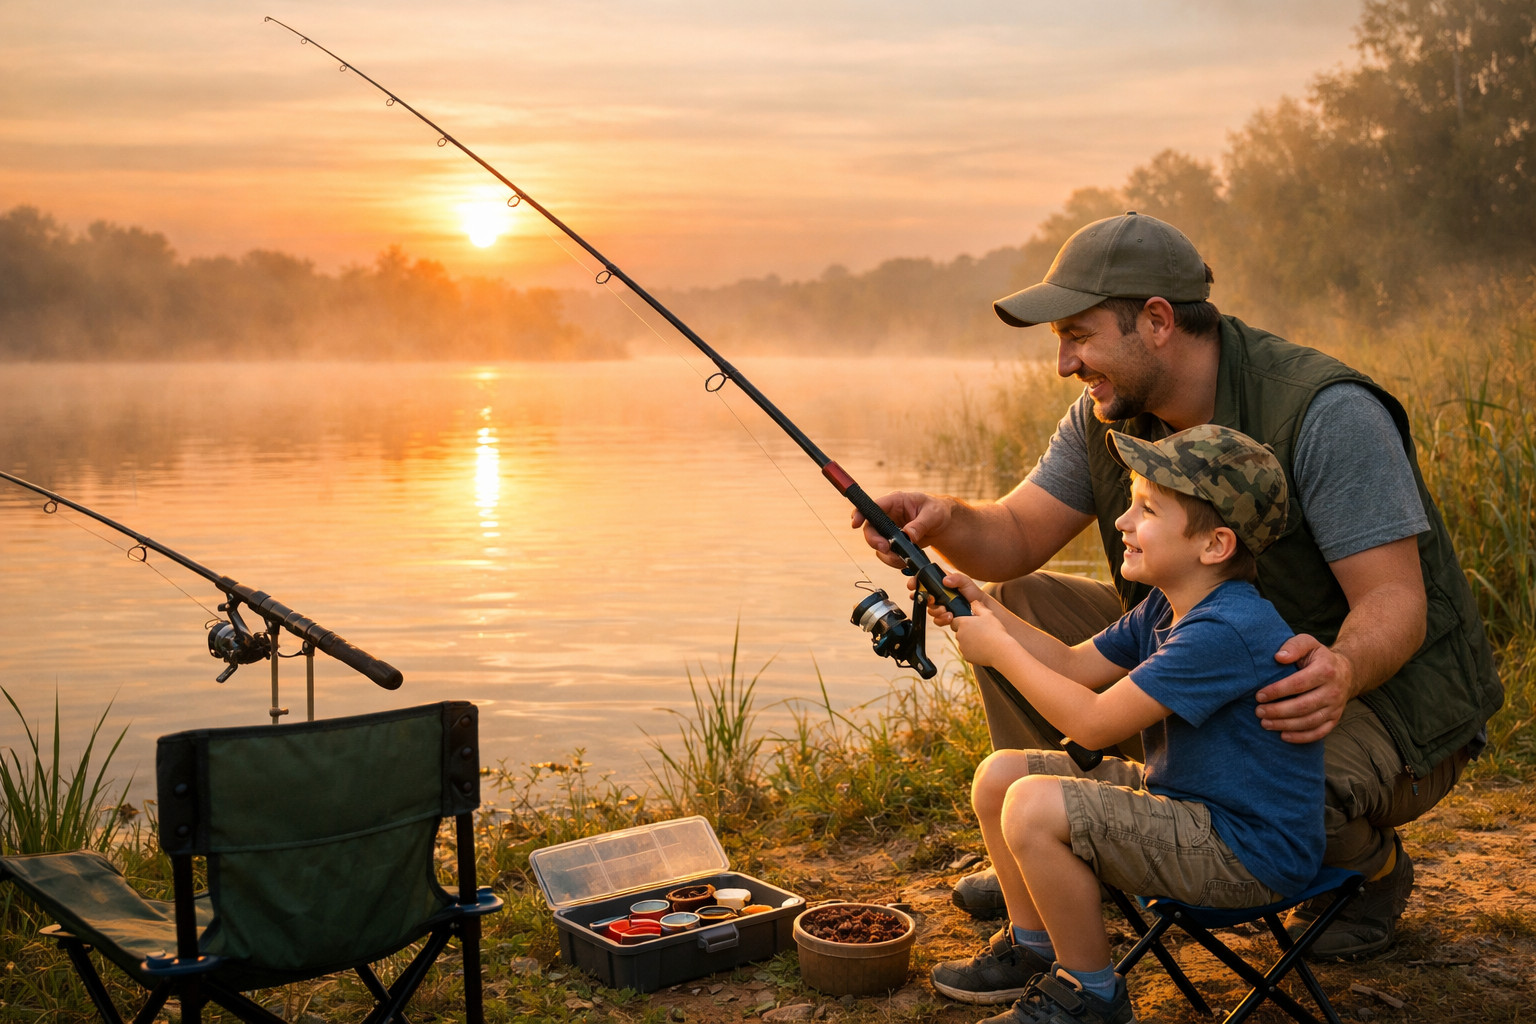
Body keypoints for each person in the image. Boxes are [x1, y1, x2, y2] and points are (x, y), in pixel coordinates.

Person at [856, 212, 1502, 959]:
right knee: (1020, 603)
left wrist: (1343, 670)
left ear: (1157, 321)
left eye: (1078, 335)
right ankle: (1058, 840)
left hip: (1373, 692)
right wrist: (940, 519)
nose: (1064, 363)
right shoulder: (1106, 412)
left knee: (1271, 782)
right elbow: (1013, 536)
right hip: (1207, 648)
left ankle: (1369, 871)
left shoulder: (1327, 413)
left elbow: (1395, 603)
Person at [928, 424, 1323, 1024]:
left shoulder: (1226, 629)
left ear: (1214, 545)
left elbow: (1090, 722)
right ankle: (1035, 949)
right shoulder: (1168, 603)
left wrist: (998, 651)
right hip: (1189, 808)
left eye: (1147, 510)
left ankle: (1090, 998)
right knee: (1000, 777)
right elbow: (1073, 664)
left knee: (1033, 806)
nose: (1121, 523)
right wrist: (986, 607)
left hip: (1245, 853)